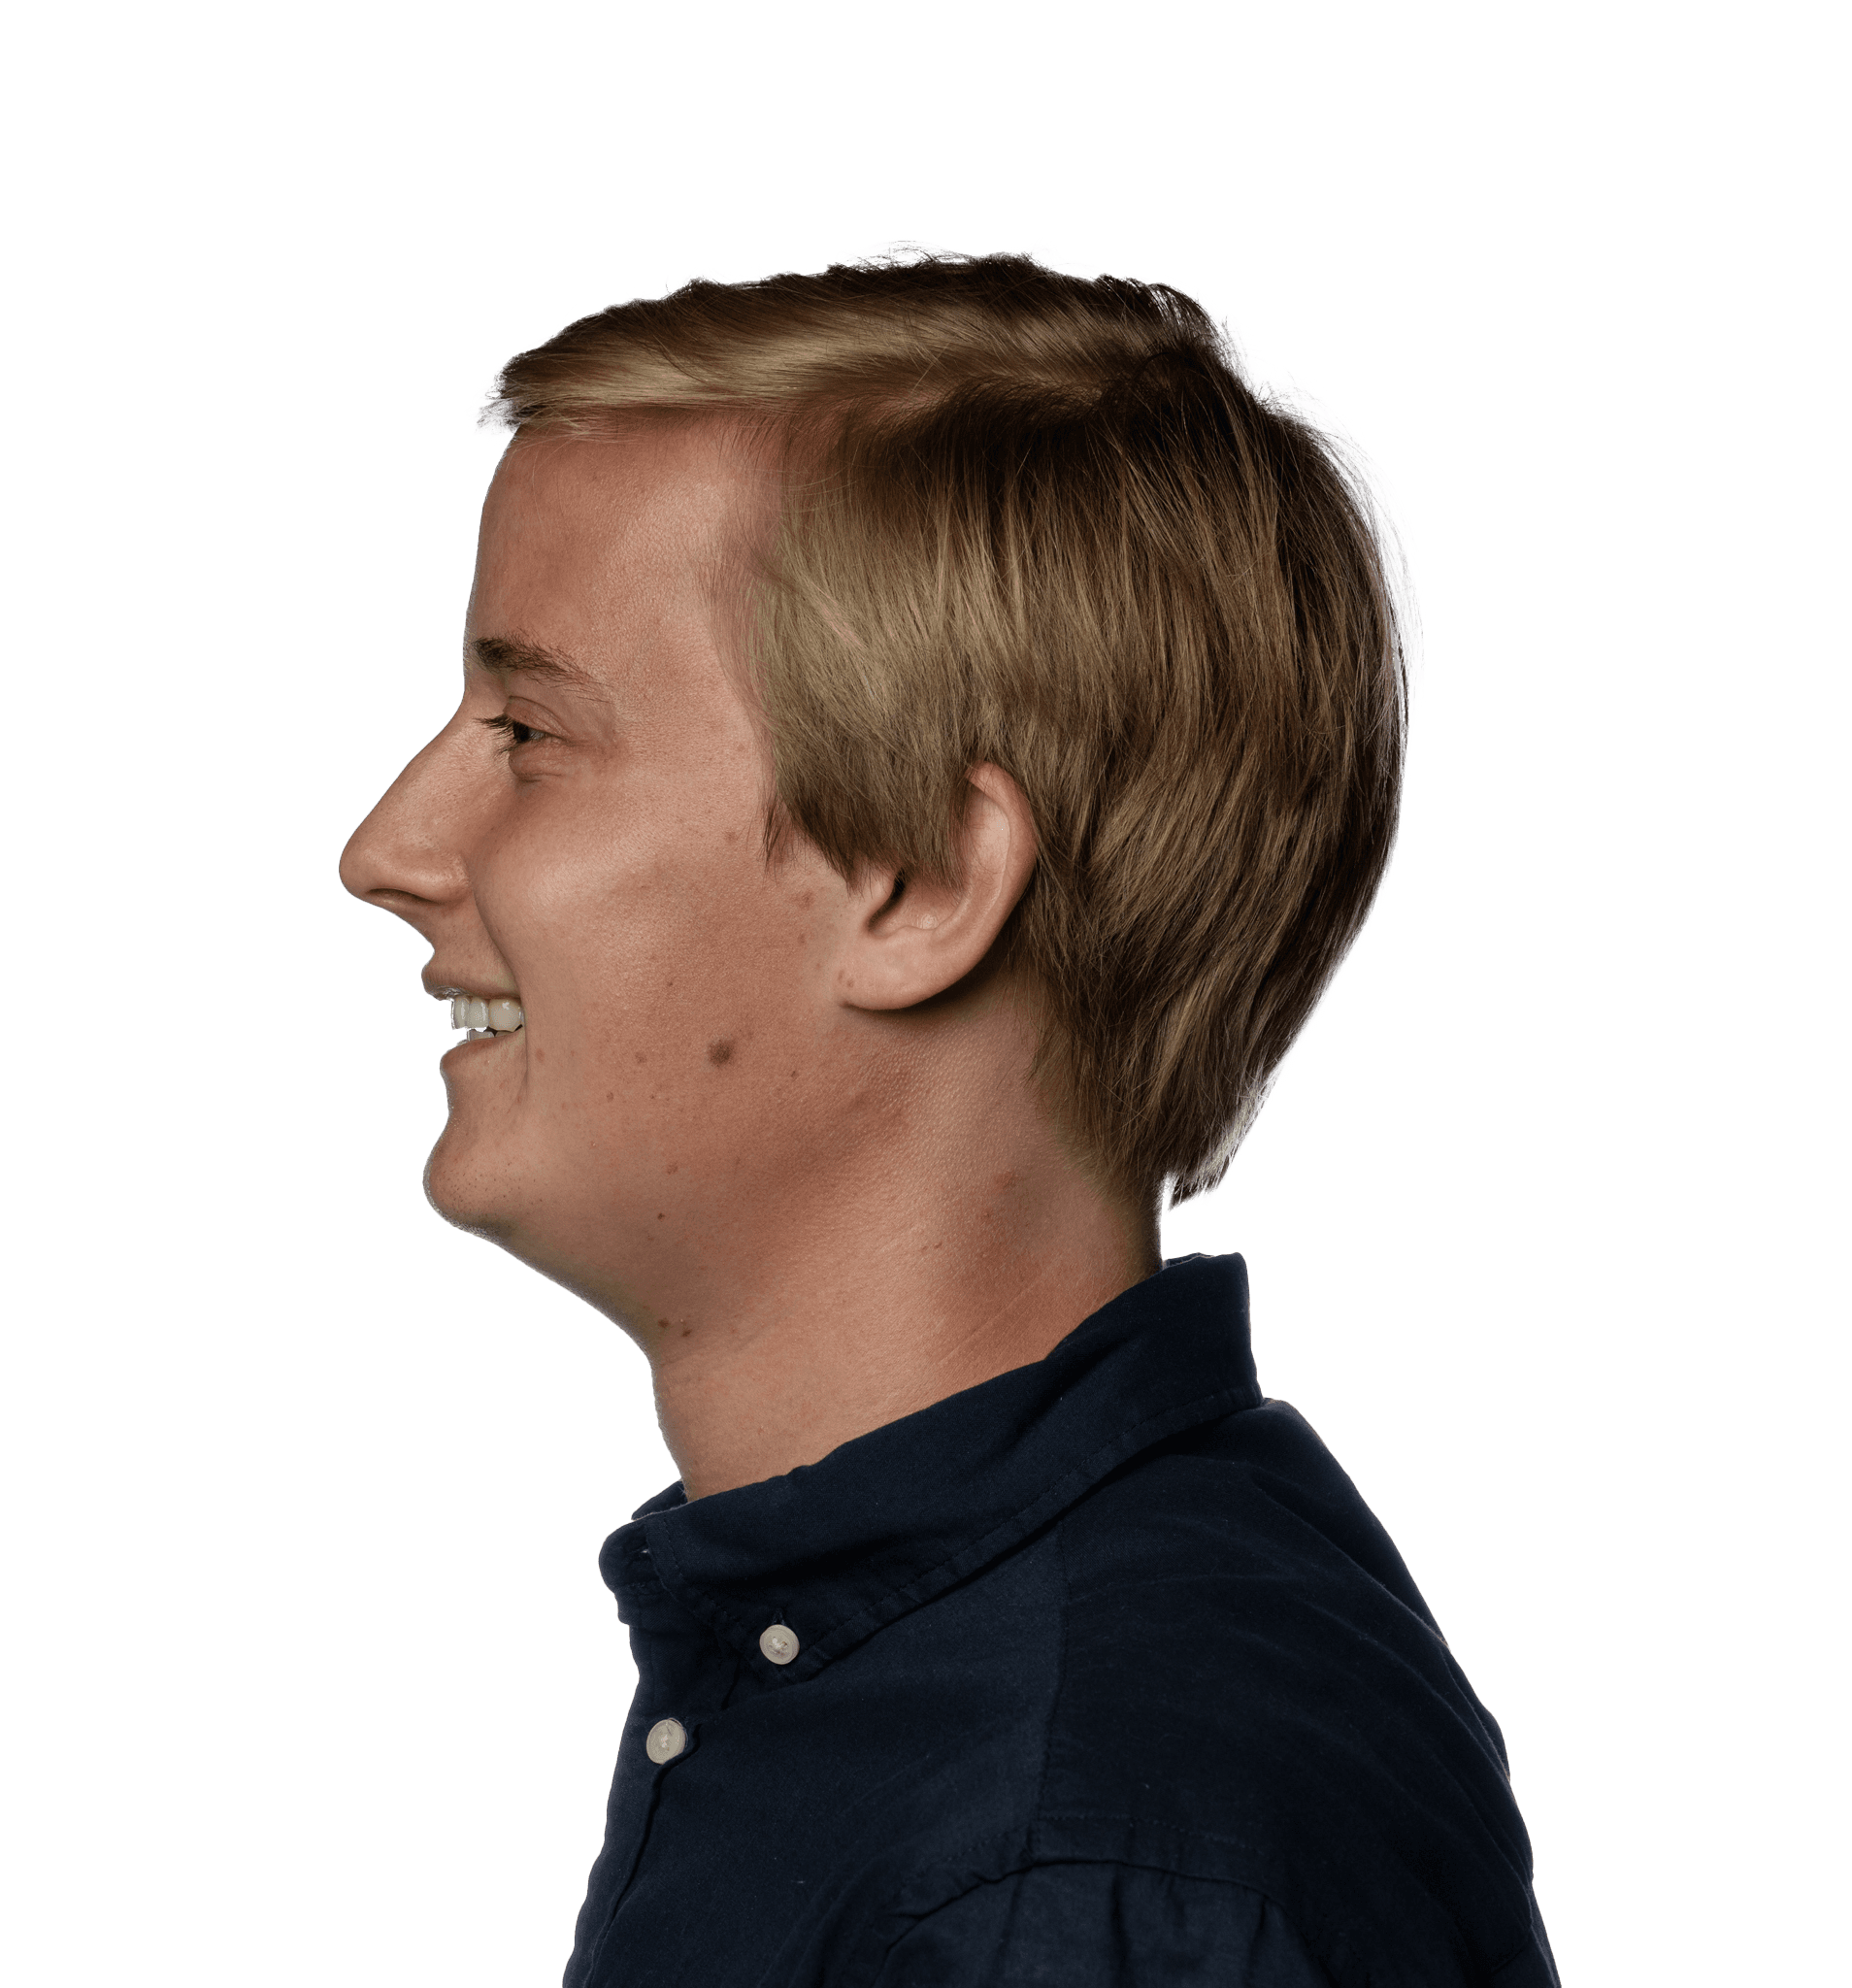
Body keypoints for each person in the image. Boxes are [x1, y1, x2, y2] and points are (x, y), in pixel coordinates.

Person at [339, 241, 1560, 1987]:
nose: (388, 849)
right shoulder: (932, 1689)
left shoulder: (1055, 1869)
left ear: (919, 881)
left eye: (529, 731)